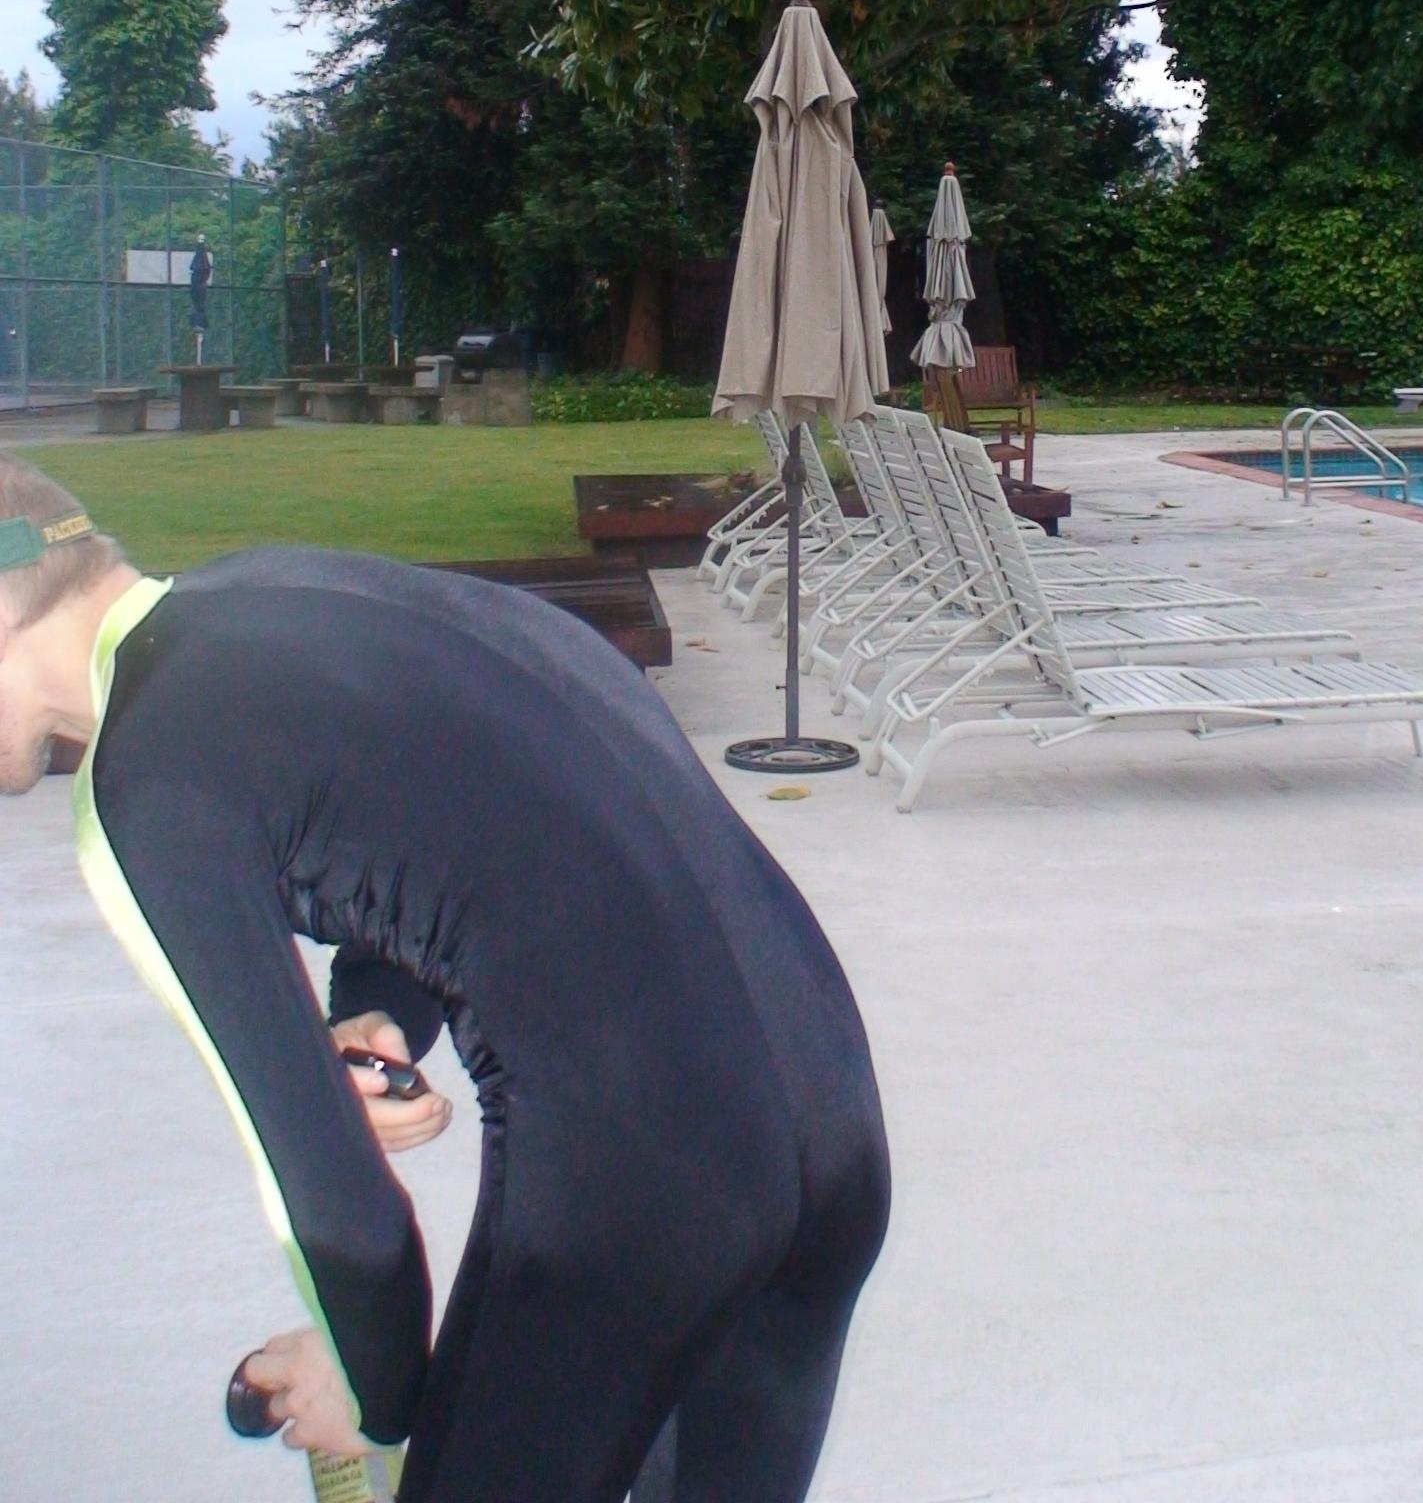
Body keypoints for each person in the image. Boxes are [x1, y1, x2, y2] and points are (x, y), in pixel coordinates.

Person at [0, 453, 889, 1503]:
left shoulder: (143, 786)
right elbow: (480, 823)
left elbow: (330, 1203)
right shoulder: (288, 592)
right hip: (833, 1122)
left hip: (650, 1194)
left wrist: (373, 1392)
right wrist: (377, 1012)